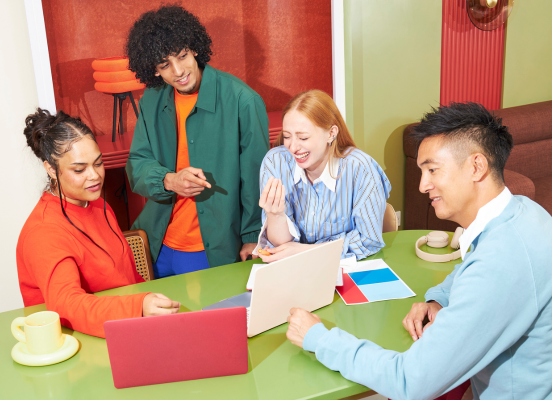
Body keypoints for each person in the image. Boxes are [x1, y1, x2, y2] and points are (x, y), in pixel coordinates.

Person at [285, 102, 552, 400]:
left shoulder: (501, 264)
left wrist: (318, 338)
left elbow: (410, 382)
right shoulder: (525, 212)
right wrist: (439, 298)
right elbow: (476, 266)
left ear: (476, 167)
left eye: (433, 170)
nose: (423, 185)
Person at [125, 5, 269, 278]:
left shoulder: (243, 101)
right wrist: (169, 180)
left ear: (194, 49)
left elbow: (257, 177)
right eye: (164, 65)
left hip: (213, 249)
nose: (178, 71)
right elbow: (137, 164)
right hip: (157, 244)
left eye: (182, 56)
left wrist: (253, 235)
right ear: (154, 70)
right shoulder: (152, 100)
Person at [17, 109, 180, 338]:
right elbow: (67, 306)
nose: (95, 176)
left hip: (125, 327)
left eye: (98, 163)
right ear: (51, 169)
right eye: (79, 169)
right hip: (78, 339)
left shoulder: (97, 204)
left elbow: (127, 276)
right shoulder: (44, 232)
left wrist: (151, 303)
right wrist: (137, 308)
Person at [253, 90, 391, 262]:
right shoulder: (275, 162)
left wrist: (305, 251)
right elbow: (282, 247)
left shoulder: (360, 168)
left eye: (303, 138)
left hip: (346, 269)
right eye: (287, 136)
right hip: (294, 270)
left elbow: (369, 241)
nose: (293, 147)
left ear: (331, 134)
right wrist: (275, 215)